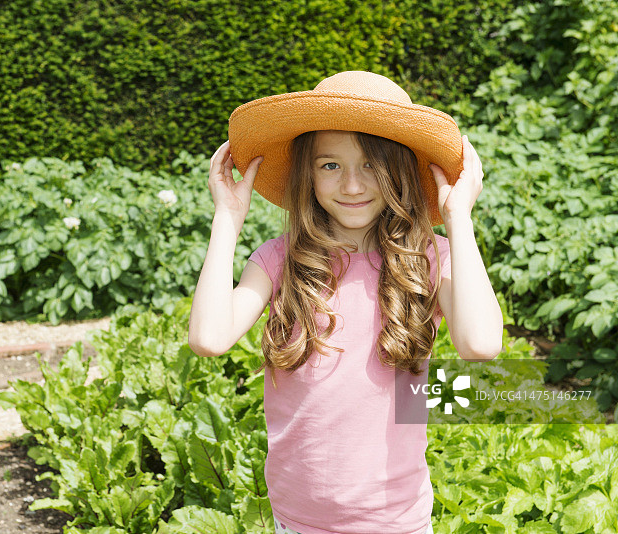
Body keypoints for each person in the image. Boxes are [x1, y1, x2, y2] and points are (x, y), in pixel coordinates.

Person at [188, 71, 503, 534]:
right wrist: (227, 220)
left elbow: (480, 344)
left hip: (397, 520)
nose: (352, 186)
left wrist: (459, 221)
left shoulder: (430, 258)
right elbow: (209, 337)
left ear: (400, 171)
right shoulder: (280, 259)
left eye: (372, 166)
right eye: (330, 165)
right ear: (307, 174)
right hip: (296, 520)